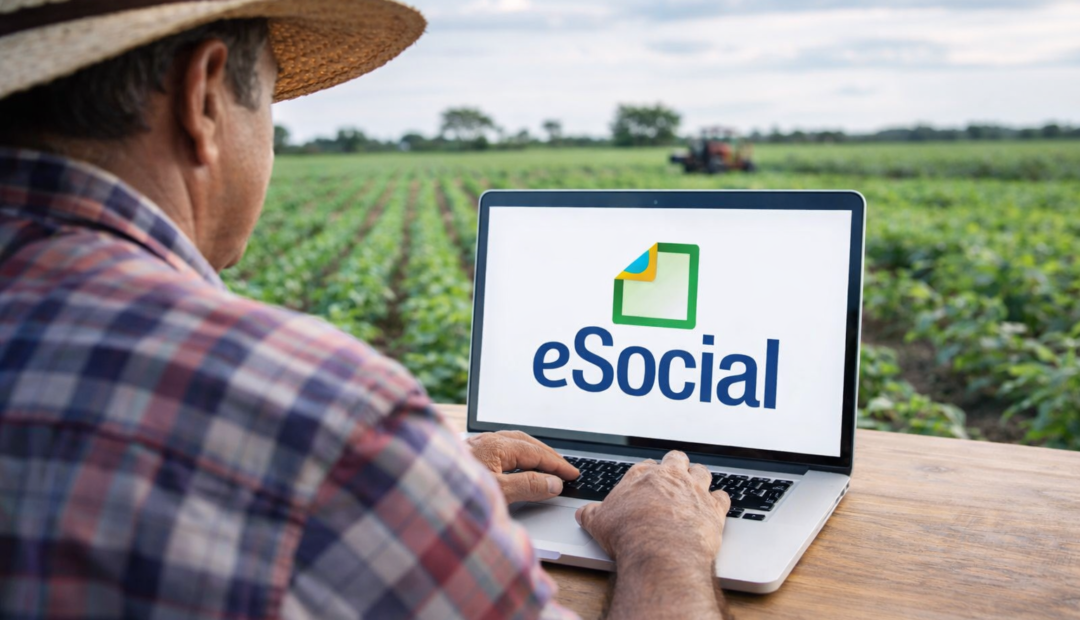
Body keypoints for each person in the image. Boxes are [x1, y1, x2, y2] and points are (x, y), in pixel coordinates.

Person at [0, 1, 732, 618]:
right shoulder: (321, 415)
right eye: (273, 98)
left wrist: (413, 490)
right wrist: (663, 544)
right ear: (205, 97)